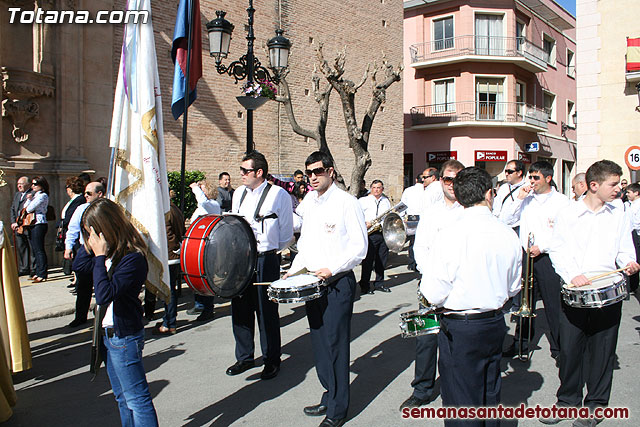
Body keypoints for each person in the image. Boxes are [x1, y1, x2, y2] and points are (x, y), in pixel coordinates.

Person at [420, 167, 521, 426]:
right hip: (494, 322)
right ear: (489, 194)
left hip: (461, 325)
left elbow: (432, 292)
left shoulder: (450, 234)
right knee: (489, 392)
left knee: (460, 400)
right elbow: (514, 287)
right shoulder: (508, 233)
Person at [544, 160, 639, 427]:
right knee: (571, 351)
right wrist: (573, 274)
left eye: (620, 184)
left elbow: (624, 249)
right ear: (594, 185)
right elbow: (558, 250)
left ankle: (595, 406)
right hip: (575, 292)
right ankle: (567, 403)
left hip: (608, 292)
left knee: (602, 353)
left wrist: (629, 263)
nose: (618, 189)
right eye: (613, 184)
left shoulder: (619, 214)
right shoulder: (569, 214)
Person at [287, 151, 367, 427]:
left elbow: (360, 247)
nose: (312, 177)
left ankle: (338, 409)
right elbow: (306, 242)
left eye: (318, 171)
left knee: (335, 346)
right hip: (312, 282)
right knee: (319, 343)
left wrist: (332, 268)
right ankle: (329, 392)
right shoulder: (309, 200)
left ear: (331, 171)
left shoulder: (348, 202)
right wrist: (294, 269)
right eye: (309, 172)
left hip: (337, 282)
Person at [73, 198, 158, 426]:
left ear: (107, 228)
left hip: (124, 336)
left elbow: (103, 294)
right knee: (122, 398)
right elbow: (79, 267)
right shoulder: (109, 255)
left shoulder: (132, 259)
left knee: (137, 399)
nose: (92, 239)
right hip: (109, 335)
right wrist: (88, 246)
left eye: (93, 233)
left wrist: (100, 258)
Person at [400, 159, 464, 411]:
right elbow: (420, 248)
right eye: (448, 179)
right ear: (441, 181)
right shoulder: (432, 212)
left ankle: (455, 388)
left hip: (460, 289)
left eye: (457, 179)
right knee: (426, 340)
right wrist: (432, 278)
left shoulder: (470, 210)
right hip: (430, 287)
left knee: (456, 341)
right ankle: (422, 389)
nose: (452, 185)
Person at [227, 151, 293, 380]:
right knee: (241, 308)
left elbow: (286, 232)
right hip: (241, 257)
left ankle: (271, 359)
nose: (242, 174)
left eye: (246, 171)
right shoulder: (238, 194)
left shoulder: (279, 195)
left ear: (259, 172)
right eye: (241, 170)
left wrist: (270, 250)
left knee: (266, 312)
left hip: (266, 258)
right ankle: (244, 357)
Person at [501, 161, 570, 360]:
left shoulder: (561, 201)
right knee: (525, 303)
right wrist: (518, 199)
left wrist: (543, 246)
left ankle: (559, 347)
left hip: (548, 257)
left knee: (553, 302)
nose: (532, 182)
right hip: (527, 256)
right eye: (530, 177)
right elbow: (507, 220)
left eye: (536, 178)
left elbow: (563, 231)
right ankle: (520, 343)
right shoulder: (526, 199)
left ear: (548, 178)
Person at [65, 181, 105, 327]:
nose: (85, 195)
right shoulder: (82, 208)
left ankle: (103, 313)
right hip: (87, 250)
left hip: (104, 251)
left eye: (89, 193)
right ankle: (80, 316)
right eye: (85, 193)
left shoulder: (107, 208)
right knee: (83, 284)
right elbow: (72, 228)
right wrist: (68, 247)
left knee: (103, 282)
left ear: (99, 194)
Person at [185, 179, 221, 321]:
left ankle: (207, 308)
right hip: (198, 246)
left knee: (205, 275)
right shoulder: (204, 206)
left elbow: (202, 201)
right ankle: (199, 303)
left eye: (203, 188)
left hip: (207, 247)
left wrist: (195, 188)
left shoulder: (212, 204)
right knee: (197, 274)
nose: (200, 190)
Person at [153, 199, 185, 335]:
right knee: (170, 289)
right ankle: (169, 319)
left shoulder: (166, 211)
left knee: (169, 289)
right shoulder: (174, 208)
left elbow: (168, 235)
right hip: (173, 255)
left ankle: (169, 323)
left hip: (168, 256)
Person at [358, 180, 391, 294]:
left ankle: (379, 283)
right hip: (370, 234)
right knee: (368, 261)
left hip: (382, 233)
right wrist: (365, 223)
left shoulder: (386, 201)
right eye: (374, 187)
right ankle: (365, 285)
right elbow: (357, 216)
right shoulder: (363, 201)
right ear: (371, 188)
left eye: (379, 188)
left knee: (382, 260)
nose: (376, 190)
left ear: (382, 189)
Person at [400, 168, 436, 271]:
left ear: (416, 180)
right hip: (423, 219)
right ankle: (418, 264)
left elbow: (402, 205)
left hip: (411, 218)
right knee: (419, 241)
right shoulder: (427, 191)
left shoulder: (408, 190)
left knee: (412, 242)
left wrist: (402, 216)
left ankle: (412, 263)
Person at [23, 176, 50, 282]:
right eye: (32, 184)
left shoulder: (42, 196)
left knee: (39, 249)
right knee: (35, 248)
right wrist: (29, 200)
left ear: (41, 186)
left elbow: (29, 208)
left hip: (39, 223)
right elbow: (25, 208)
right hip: (32, 223)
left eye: (35, 184)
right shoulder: (35, 195)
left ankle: (42, 273)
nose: (32, 186)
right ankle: (38, 271)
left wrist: (29, 200)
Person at [60, 176, 86, 276]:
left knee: (76, 255)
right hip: (68, 228)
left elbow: (70, 216)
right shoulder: (73, 200)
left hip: (75, 231)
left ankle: (77, 278)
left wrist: (63, 223)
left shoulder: (79, 200)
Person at [10, 176, 35, 276]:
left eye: (22, 184)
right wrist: (13, 222)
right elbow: (12, 208)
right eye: (18, 184)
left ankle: (33, 268)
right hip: (17, 226)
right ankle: (24, 268)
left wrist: (19, 222)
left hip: (27, 225)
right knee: (21, 247)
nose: (19, 186)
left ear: (28, 185)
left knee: (31, 247)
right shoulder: (17, 195)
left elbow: (28, 210)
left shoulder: (32, 194)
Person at [493, 159, 527, 233]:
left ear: (519, 173)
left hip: (516, 229)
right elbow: (497, 206)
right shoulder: (503, 187)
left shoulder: (527, 189)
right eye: (505, 171)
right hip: (500, 227)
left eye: (510, 172)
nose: (507, 174)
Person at [626, 183, 640, 294]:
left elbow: (637, 222)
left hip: (637, 234)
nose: (627, 194)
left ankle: (634, 286)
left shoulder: (638, 205)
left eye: (629, 192)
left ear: (636, 193)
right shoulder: (629, 204)